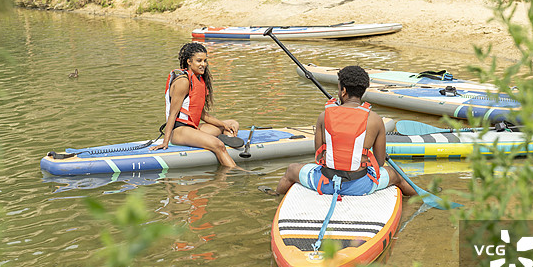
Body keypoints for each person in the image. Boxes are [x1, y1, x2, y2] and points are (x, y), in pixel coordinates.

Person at [274, 65, 417, 197]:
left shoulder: (324, 116)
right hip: (361, 186)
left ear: (343, 91)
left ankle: (275, 197)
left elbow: (318, 157)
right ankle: (419, 199)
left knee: (291, 170)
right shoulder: (375, 120)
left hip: (325, 184)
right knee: (398, 175)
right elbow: (379, 163)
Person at [150, 42, 241, 168]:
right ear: (189, 61)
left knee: (232, 124)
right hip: (179, 132)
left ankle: (227, 145)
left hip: (193, 128)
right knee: (218, 145)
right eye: (199, 61)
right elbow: (173, 113)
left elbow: (202, 114)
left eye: (205, 61)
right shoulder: (183, 81)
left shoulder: (199, 79)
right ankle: (236, 171)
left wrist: (224, 125)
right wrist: (166, 142)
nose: (203, 64)